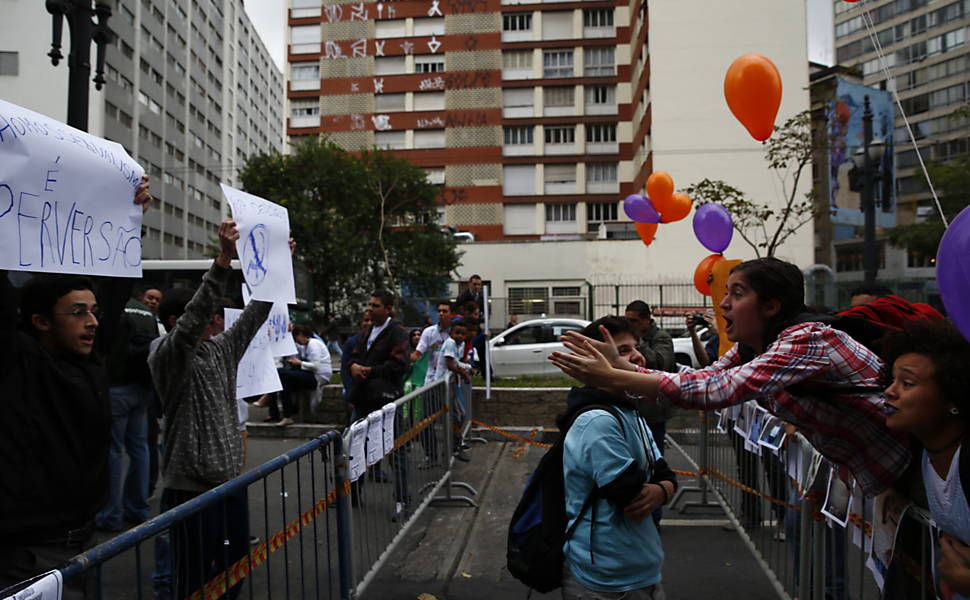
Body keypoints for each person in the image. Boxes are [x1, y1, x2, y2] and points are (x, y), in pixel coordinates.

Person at [551, 257, 910, 497]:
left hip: (911, 469)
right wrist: (622, 369)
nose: (723, 305)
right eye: (725, 293)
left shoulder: (808, 339)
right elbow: (700, 377)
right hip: (883, 483)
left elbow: (715, 390)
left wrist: (617, 376)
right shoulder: (755, 347)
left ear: (771, 307)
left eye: (737, 294)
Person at [0, 177, 153, 598]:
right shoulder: (21, 364)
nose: (92, 321)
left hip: (82, 545)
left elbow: (116, 287)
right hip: (29, 555)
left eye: (94, 311)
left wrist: (130, 222)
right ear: (40, 322)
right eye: (77, 312)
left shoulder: (90, 360)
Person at [149, 220, 273, 600]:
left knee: (233, 571)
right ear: (176, 320)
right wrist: (222, 260)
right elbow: (192, 322)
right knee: (195, 578)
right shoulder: (166, 355)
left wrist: (276, 269)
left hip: (228, 484)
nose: (217, 319)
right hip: (189, 490)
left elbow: (256, 315)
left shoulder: (220, 350)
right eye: (209, 313)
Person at [561, 316, 677, 600]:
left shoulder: (629, 410)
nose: (637, 355)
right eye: (623, 351)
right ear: (592, 362)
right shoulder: (598, 420)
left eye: (635, 347)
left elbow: (665, 474)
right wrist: (663, 488)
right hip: (607, 579)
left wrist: (662, 488)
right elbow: (630, 496)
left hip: (640, 569)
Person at [882, 318, 970, 597]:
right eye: (892, 380)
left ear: (953, 398)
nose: (890, 391)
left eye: (907, 383)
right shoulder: (916, 453)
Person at [95, 289, 160, 531]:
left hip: (116, 386)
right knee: (140, 448)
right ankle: (137, 508)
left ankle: (111, 514)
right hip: (141, 388)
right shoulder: (145, 312)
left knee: (113, 452)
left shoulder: (114, 310)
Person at [347, 290, 411, 518]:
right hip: (363, 399)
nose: (370, 308)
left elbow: (400, 364)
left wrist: (371, 370)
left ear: (387, 309)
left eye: (375, 305)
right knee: (356, 448)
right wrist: (355, 367)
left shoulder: (397, 333)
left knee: (395, 451)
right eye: (370, 304)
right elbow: (354, 357)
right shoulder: (367, 333)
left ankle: (403, 499)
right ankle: (353, 493)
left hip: (386, 401)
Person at [269, 323, 333, 426]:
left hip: (318, 377)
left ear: (301, 334)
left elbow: (316, 365)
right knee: (284, 382)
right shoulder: (305, 346)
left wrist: (299, 363)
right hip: (310, 375)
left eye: (296, 338)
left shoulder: (313, 344)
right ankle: (288, 415)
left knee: (281, 373)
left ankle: (288, 414)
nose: (296, 341)